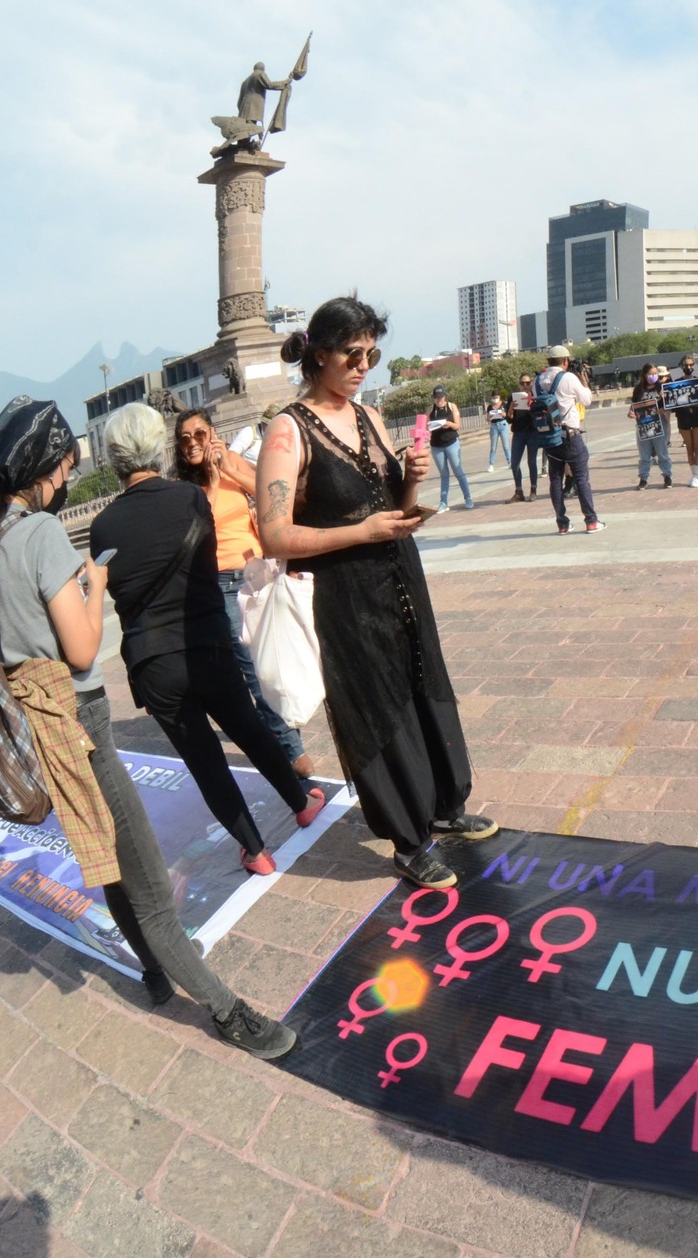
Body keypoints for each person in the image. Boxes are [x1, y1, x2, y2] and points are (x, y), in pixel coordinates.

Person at [0, 397, 296, 1057]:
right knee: (150, 885)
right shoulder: (40, 535)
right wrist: (94, 582)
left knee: (109, 857)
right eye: (67, 465)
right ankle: (228, 1012)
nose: (69, 477)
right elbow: (80, 649)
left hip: (41, 724)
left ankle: (155, 971)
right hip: (79, 717)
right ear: (47, 464)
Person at [257, 296, 501, 890]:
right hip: (346, 596)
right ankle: (409, 840)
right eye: (352, 353)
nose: (363, 365)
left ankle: (444, 805)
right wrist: (360, 532)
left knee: (422, 683)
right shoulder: (288, 431)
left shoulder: (366, 415)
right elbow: (273, 535)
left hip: (400, 579)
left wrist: (411, 481)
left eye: (371, 353)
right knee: (377, 706)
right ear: (319, 354)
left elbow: (393, 505)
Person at [92, 403, 327, 873]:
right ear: (157, 448)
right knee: (249, 728)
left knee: (205, 762)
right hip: (206, 641)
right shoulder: (189, 498)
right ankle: (301, 803)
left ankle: (255, 852)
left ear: (114, 457)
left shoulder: (102, 526)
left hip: (153, 661)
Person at [171, 408, 314, 778]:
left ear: (213, 434)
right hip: (221, 581)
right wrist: (213, 481)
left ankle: (284, 737)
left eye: (199, 435)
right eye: (184, 439)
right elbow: (198, 525)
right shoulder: (183, 488)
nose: (192, 443)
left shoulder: (233, 462)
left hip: (258, 571)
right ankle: (292, 751)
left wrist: (228, 468)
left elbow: (271, 496)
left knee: (274, 659)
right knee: (254, 668)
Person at [536, 344, 602, 532]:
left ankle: (562, 524)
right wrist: (584, 380)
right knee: (581, 477)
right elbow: (586, 400)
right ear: (565, 361)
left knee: (555, 479)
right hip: (570, 434)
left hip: (550, 436)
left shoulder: (537, 381)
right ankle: (591, 521)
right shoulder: (568, 378)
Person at [425, 384, 472, 512]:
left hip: (451, 443)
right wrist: (429, 427)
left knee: (458, 471)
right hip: (436, 446)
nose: (438, 400)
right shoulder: (430, 409)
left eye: (440, 397)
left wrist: (449, 424)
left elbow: (457, 426)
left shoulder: (452, 406)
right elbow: (425, 426)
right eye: (436, 397)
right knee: (444, 475)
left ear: (445, 396)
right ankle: (443, 502)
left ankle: (468, 498)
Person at [631, 366, 674, 490]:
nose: (654, 376)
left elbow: (670, 402)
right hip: (643, 424)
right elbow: (633, 405)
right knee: (644, 454)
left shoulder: (661, 387)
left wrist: (664, 408)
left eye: (656, 373)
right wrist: (631, 413)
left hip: (659, 422)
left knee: (662, 452)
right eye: (651, 373)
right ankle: (643, 478)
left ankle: (667, 475)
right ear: (645, 375)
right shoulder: (638, 389)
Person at [668, 353, 698, 488]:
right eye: (686, 365)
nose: (688, 367)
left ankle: (697, 476)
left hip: (696, 414)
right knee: (689, 447)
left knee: (697, 446)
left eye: (691, 365)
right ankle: (693, 473)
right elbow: (670, 400)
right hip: (682, 416)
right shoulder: (676, 382)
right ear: (681, 366)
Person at [506, 373, 541, 502]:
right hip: (518, 433)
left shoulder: (535, 396)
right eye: (522, 383)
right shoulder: (513, 397)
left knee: (531, 462)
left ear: (531, 383)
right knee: (514, 463)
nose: (525, 385)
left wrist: (532, 405)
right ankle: (518, 491)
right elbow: (509, 419)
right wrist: (511, 408)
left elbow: (540, 414)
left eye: (527, 383)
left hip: (532, 432)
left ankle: (533, 490)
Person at [484, 392, 511, 473]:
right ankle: (491, 464)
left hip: (503, 424)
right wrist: (490, 416)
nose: (495, 399)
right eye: (494, 397)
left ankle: (510, 462)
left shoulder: (503, 404)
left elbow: (507, 415)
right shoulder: (490, 407)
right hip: (494, 426)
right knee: (493, 447)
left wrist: (501, 413)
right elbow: (487, 419)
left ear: (499, 397)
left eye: (496, 397)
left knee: (506, 446)